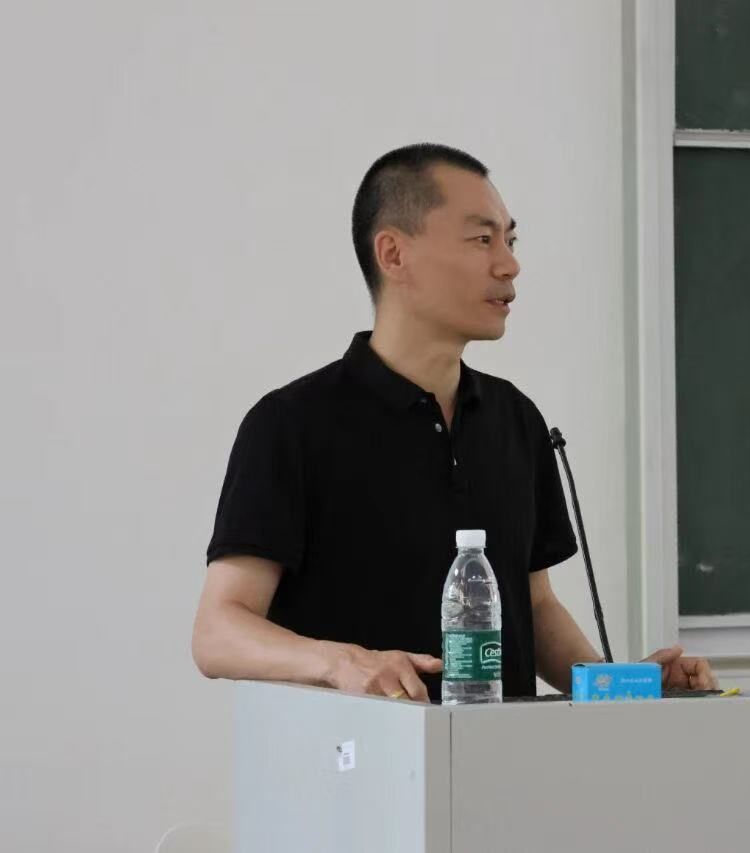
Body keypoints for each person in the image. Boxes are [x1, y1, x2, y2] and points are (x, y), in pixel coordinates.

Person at [191, 143, 716, 701]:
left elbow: (534, 607)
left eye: (510, 241)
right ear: (393, 254)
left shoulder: (516, 418)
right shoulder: (291, 424)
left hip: (501, 753)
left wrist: (625, 687)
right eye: (482, 239)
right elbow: (218, 632)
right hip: (357, 751)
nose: (509, 264)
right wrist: (341, 663)